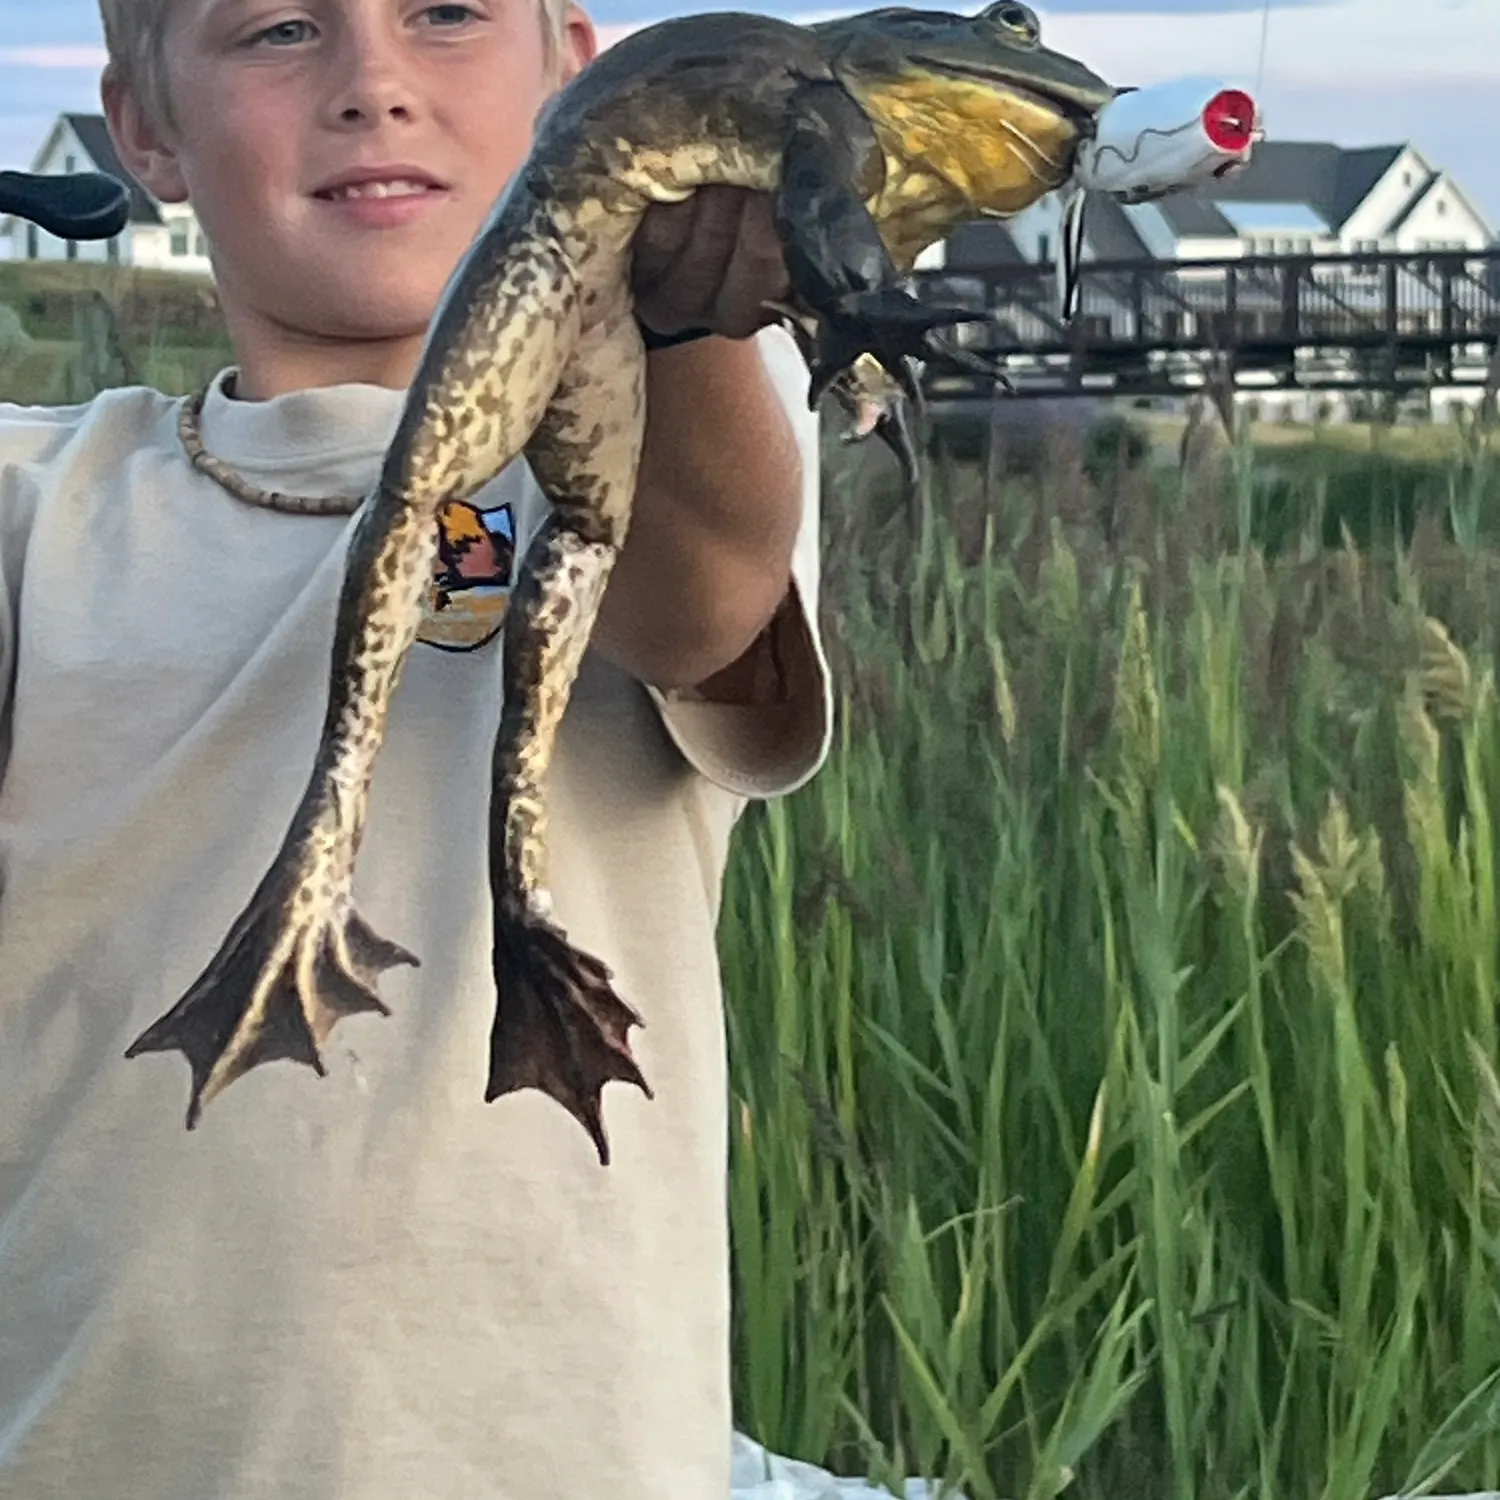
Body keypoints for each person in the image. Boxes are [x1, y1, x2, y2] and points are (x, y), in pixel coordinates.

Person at [0, 0, 831, 1495]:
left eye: (446, 14)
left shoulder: (681, 436)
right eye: (278, 30)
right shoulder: (31, 506)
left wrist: (678, 311)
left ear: (576, 72)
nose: (373, 84)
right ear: (144, 131)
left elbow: (702, 601)